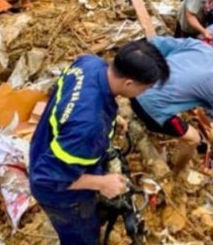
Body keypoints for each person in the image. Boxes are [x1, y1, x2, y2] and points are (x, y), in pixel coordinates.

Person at [29, 40, 170, 245]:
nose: (144, 93)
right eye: (145, 88)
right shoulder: (89, 127)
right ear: (129, 83)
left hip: (46, 145)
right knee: (81, 236)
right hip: (60, 194)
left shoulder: (90, 64)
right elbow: (45, 177)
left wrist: (112, 118)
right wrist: (101, 183)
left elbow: (80, 100)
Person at [131, 38, 213, 173]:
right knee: (194, 139)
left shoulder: (200, 46)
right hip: (149, 107)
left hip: (134, 86)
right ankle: (179, 172)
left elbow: (159, 43)